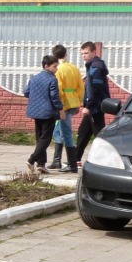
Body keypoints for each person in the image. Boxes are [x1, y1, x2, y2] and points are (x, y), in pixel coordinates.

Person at [23, 55, 64, 174]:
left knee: (40, 137)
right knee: (45, 139)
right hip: (48, 112)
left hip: (35, 112)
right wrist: (60, 109)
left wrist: (37, 98)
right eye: (54, 66)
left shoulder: (34, 78)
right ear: (46, 66)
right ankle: (32, 159)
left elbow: (26, 92)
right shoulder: (52, 79)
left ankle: (41, 164)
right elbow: (54, 97)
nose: (56, 69)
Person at [75, 41, 110, 165]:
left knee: (99, 136)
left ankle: (107, 161)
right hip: (94, 107)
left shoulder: (96, 67)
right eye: (82, 53)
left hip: (95, 107)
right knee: (83, 132)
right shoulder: (92, 66)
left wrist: (89, 106)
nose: (84, 56)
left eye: (86, 53)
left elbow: (96, 88)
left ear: (94, 52)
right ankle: (75, 160)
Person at [49, 43, 83, 173]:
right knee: (59, 131)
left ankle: (72, 164)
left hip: (64, 104)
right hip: (73, 101)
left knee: (66, 132)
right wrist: (79, 101)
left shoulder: (58, 70)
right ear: (66, 54)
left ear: (54, 56)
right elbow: (81, 87)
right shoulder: (74, 68)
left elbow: (59, 89)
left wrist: (59, 107)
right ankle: (57, 161)